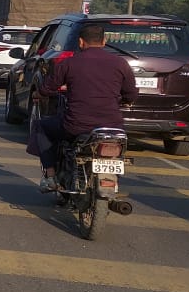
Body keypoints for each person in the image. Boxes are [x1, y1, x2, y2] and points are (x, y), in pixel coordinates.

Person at [34, 23, 138, 192]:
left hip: (76, 125)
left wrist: (38, 94)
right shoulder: (121, 63)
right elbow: (131, 94)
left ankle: (51, 177)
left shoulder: (69, 63)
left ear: (81, 42)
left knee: (41, 127)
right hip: (112, 126)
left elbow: (47, 88)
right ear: (104, 41)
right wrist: (125, 100)